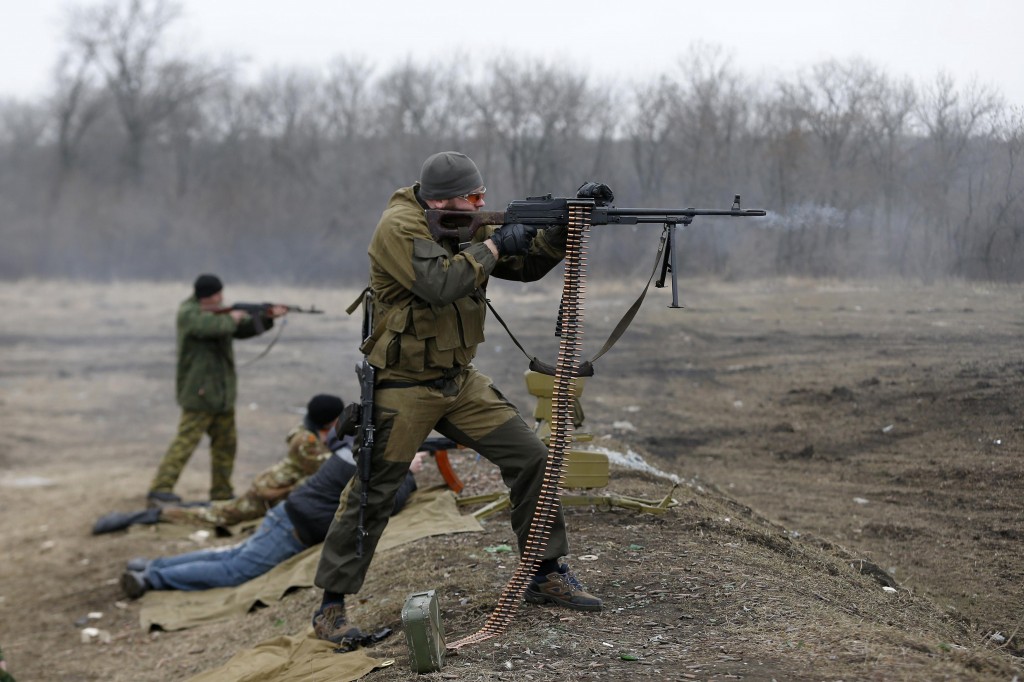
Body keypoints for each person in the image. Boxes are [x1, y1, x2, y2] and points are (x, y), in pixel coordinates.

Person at [311, 151, 602, 645]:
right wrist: (491, 246)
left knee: (532, 457)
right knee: (373, 491)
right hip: (404, 386)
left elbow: (525, 265)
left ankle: (545, 571)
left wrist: (559, 230)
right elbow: (442, 283)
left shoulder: (459, 221)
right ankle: (330, 608)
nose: (482, 203)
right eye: (473, 197)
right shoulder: (399, 227)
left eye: (482, 196)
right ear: (443, 199)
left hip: (457, 380)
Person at [121, 434, 424, 597]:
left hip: (287, 517)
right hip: (291, 528)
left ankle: (150, 567)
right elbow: (388, 502)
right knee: (234, 570)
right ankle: (151, 578)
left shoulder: (354, 449)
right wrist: (407, 474)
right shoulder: (366, 467)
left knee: (231, 556)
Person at [94, 394, 345, 534]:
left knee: (221, 509)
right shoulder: (307, 442)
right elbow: (327, 471)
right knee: (214, 516)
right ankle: (149, 516)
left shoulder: (309, 433)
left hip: (269, 490)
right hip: (268, 494)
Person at [147, 274, 287, 506]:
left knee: (226, 445)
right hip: (199, 393)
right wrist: (233, 317)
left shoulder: (221, 313)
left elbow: (241, 329)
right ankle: (160, 488)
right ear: (209, 295)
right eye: (218, 294)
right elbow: (210, 327)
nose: (222, 298)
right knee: (185, 443)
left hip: (222, 394)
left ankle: (221, 492)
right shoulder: (189, 313)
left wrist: (267, 317)